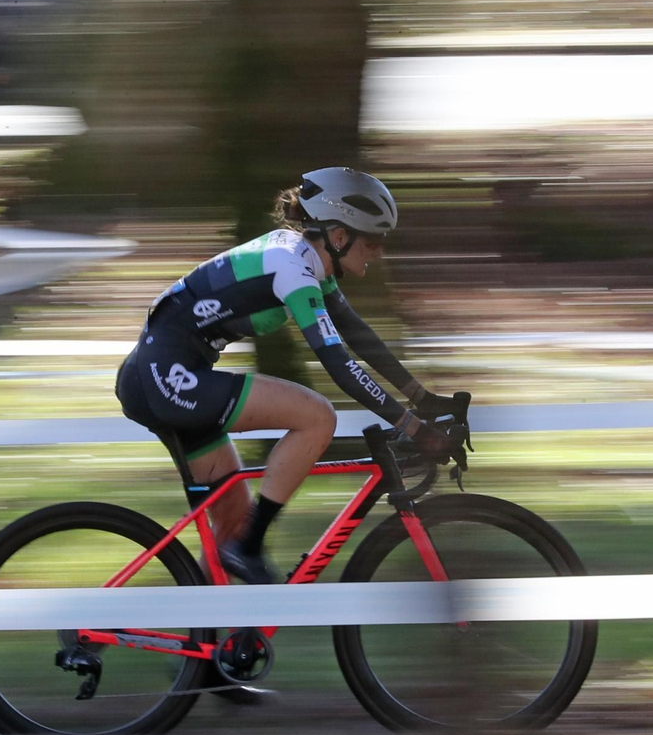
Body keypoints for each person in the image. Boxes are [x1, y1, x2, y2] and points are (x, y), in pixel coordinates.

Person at [114, 167, 458, 584]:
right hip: (168, 377)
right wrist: (412, 426)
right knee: (317, 417)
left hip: (165, 372)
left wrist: (422, 398)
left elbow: (358, 336)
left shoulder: (307, 259)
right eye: (372, 240)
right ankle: (249, 548)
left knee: (232, 524)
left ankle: (202, 643)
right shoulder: (292, 268)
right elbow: (340, 366)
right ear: (338, 235)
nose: (378, 251)